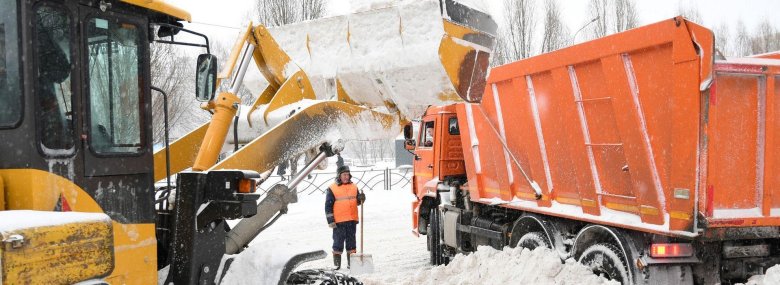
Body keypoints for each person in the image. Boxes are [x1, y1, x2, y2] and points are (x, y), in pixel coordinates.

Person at [325, 166, 366, 270]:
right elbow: (328, 206)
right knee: (338, 243)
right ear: (339, 176)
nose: (346, 177)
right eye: (344, 175)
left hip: (351, 220)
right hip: (338, 222)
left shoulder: (354, 186)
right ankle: (337, 265)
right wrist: (330, 221)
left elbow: (357, 201)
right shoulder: (332, 188)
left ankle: (351, 264)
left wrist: (361, 199)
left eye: (348, 174)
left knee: (351, 244)